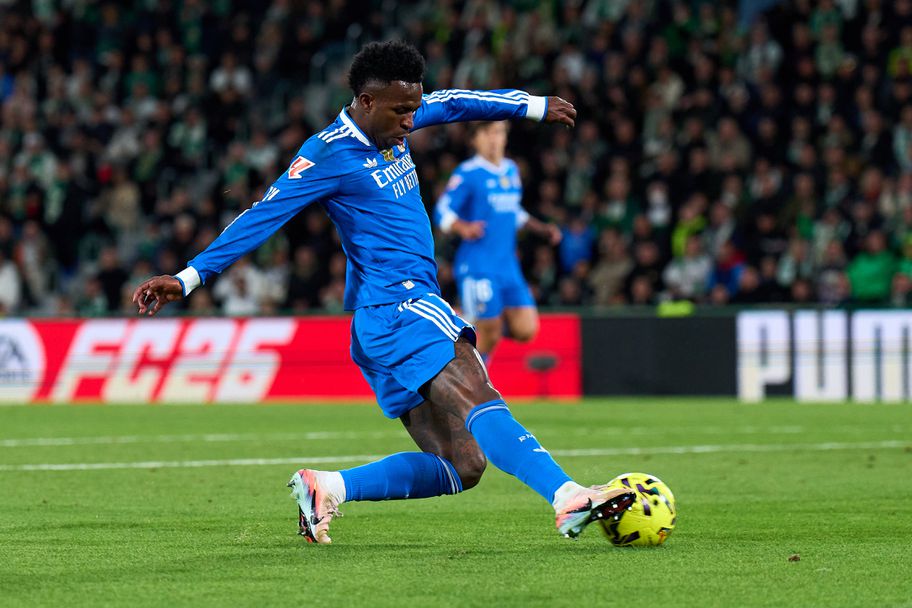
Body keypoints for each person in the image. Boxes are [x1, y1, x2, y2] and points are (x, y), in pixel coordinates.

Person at [133, 41, 633, 545]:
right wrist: (189, 277)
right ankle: (568, 496)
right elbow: (263, 215)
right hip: (401, 306)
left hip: (379, 323)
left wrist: (531, 105)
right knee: (479, 394)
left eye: (414, 107)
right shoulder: (328, 153)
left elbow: (454, 102)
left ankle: (329, 487)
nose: (411, 121)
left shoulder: (395, 117)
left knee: (462, 463)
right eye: (401, 111)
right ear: (366, 101)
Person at [434, 121, 561, 365]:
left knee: (526, 329)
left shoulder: (511, 170)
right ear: (475, 139)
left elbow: (513, 211)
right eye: (487, 133)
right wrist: (462, 227)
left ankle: (465, 318)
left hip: (507, 266)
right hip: (477, 264)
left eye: (499, 132)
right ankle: (470, 375)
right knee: (489, 334)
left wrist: (542, 229)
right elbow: (442, 211)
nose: (494, 139)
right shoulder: (468, 173)